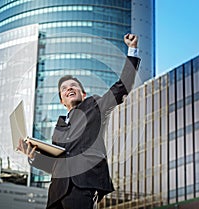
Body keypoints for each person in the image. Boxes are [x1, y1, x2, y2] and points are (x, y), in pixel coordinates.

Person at [17, 33, 140, 209]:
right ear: (62, 100)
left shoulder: (95, 106)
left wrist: (132, 49)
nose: (69, 89)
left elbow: (123, 86)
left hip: (82, 185)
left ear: (83, 94)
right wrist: (32, 156)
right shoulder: (58, 127)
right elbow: (55, 165)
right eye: (64, 89)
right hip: (56, 193)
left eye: (73, 86)